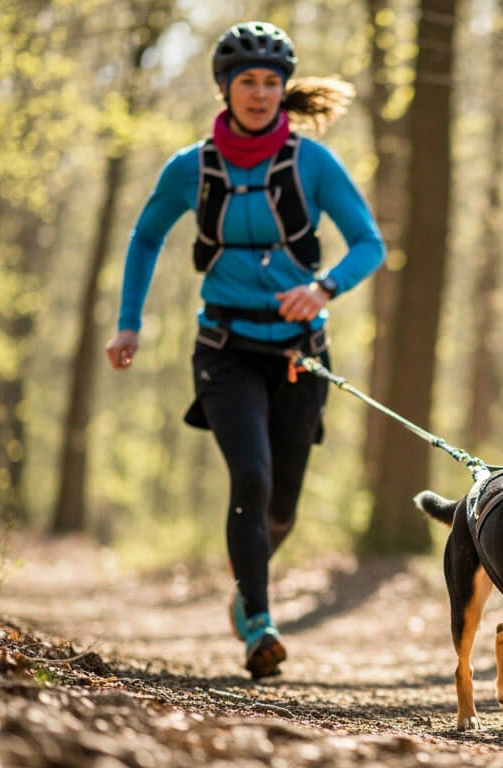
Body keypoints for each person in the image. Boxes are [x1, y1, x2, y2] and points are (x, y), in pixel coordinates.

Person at [104, 21, 384, 679]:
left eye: (270, 82)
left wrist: (323, 288)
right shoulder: (193, 168)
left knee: (281, 503)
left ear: (284, 89)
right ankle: (259, 623)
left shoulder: (313, 163)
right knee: (250, 477)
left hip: (299, 354)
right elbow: (146, 238)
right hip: (224, 349)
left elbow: (369, 243)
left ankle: (246, 582)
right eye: (246, 82)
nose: (259, 94)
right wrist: (128, 323)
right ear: (224, 88)